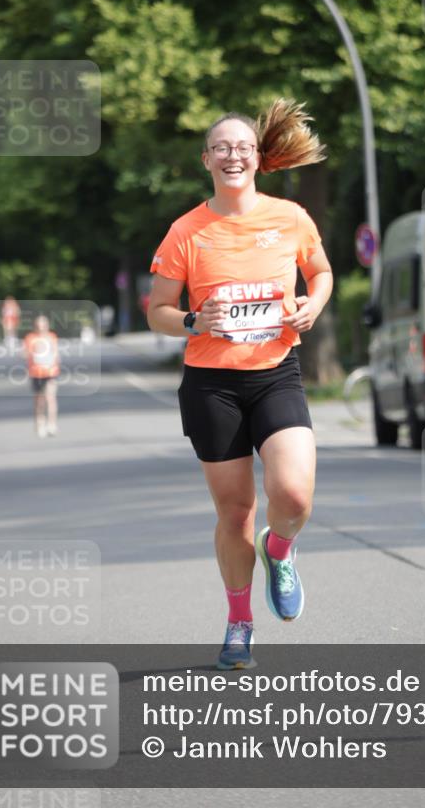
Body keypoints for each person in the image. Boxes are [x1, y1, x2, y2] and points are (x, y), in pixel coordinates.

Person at [147, 98, 333, 669]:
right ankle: (239, 623)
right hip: (212, 385)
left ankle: (281, 550)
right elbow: (157, 308)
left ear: (258, 158)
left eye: (242, 147)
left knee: (294, 495)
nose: (233, 155)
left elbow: (321, 272)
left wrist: (312, 307)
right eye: (222, 147)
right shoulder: (187, 231)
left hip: (276, 373)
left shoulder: (290, 217)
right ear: (207, 159)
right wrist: (190, 322)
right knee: (235, 515)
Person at [22, 314, 60, 438]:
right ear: (35, 326)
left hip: (50, 372)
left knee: (51, 398)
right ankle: (40, 424)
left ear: (47, 325)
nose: (41, 327)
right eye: (39, 325)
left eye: (43, 324)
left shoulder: (52, 337)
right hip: (36, 373)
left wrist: (54, 360)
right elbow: (24, 354)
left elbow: (56, 354)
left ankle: (52, 424)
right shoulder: (30, 338)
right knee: (39, 401)